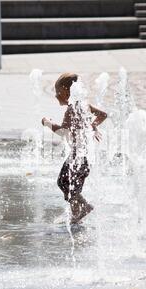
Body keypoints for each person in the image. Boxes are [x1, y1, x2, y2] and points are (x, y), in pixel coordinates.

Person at [42, 73, 107, 224]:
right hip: (85, 156)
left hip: (78, 156)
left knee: (64, 182)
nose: (56, 96)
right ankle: (76, 215)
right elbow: (103, 115)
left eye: (57, 92)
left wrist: (47, 122)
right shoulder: (84, 105)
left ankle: (82, 208)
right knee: (71, 185)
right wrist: (93, 126)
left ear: (66, 91)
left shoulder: (71, 109)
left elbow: (62, 132)